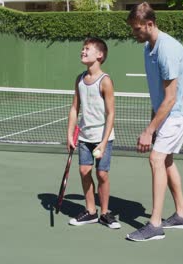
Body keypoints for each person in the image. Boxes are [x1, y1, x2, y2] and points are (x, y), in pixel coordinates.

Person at [126, 2, 183, 241]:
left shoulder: (167, 50)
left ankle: (155, 225)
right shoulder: (148, 48)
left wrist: (149, 131)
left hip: (178, 111)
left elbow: (170, 98)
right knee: (166, 161)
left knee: (156, 159)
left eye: (137, 29)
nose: (134, 33)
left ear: (150, 24)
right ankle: (182, 215)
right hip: (167, 110)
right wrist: (153, 123)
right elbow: (158, 94)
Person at [66, 37, 120, 229]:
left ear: (100, 55)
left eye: (87, 48)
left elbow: (111, 113)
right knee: (84, 171)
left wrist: (104, 142)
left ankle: (105, 213)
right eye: (82, 48)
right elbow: (74, 108)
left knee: (102, 174)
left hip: (103, 137)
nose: (82, 51)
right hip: (84, 137)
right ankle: (91, 211)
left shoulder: (105, 81)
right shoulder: (79, 79)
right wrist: (70, 134)